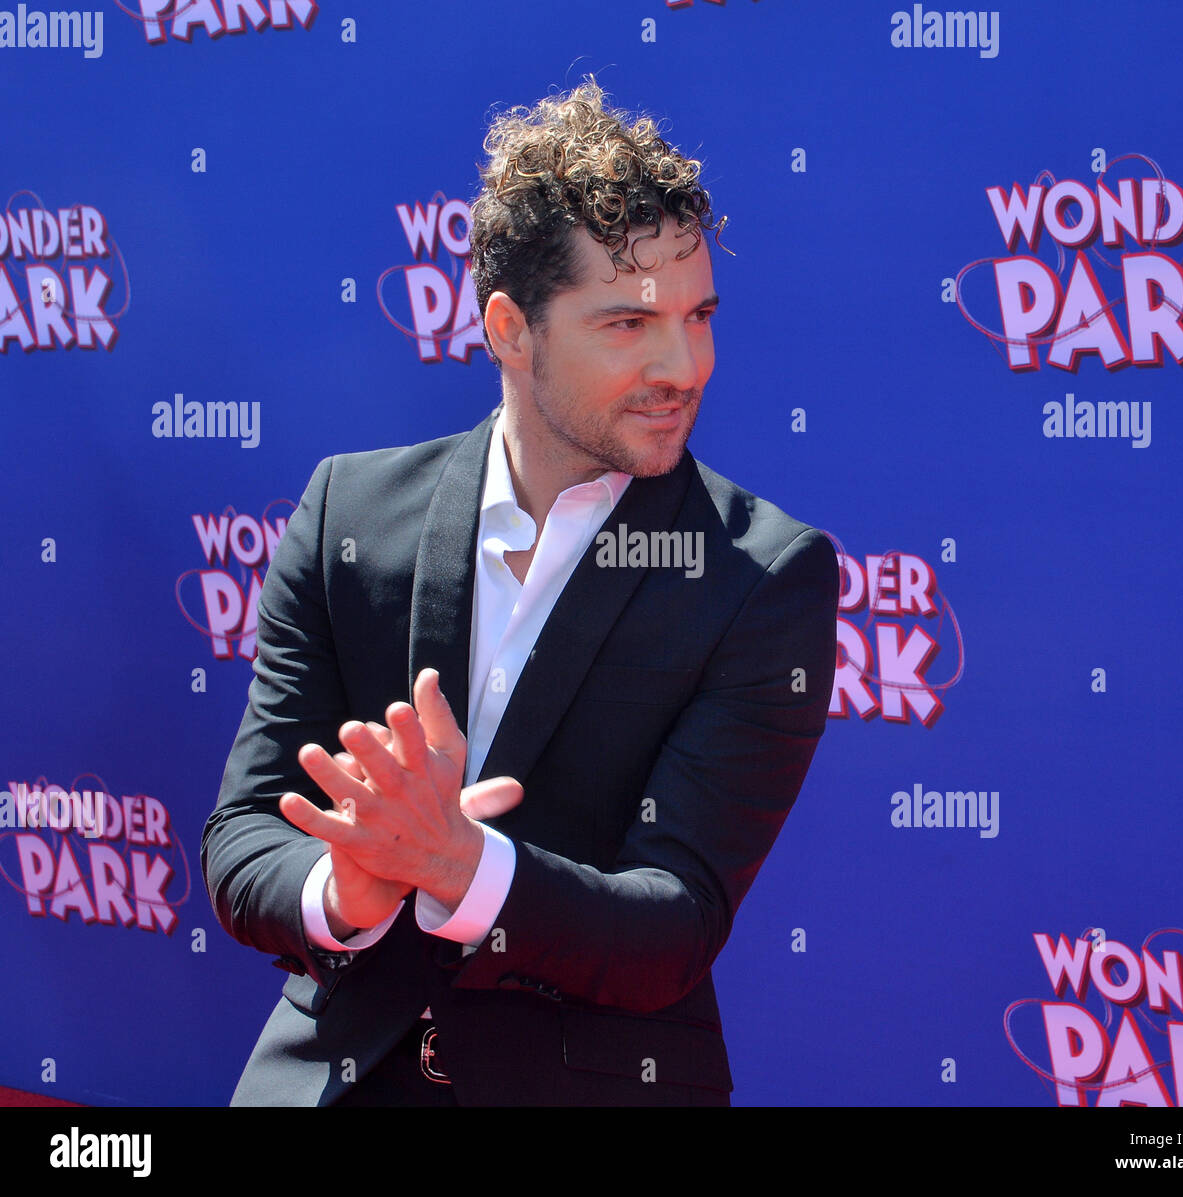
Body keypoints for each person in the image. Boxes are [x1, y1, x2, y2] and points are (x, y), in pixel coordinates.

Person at [201, 79, 840, 1107]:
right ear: (507, 327)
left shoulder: (761, 574)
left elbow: (672, 921)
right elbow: (242, 838)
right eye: (627, 323)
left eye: (698, 315)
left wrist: (463, 870)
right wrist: (347, 888)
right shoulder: (347, 513)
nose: (684, 364)